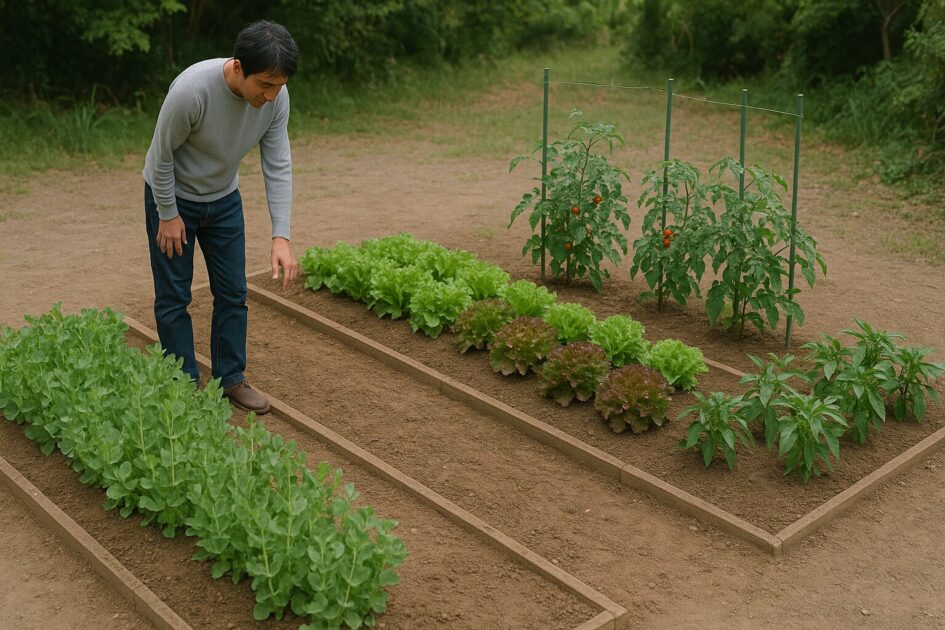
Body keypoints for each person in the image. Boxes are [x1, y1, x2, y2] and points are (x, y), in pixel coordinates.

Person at [142, 20, 300, 414]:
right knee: (174, 296)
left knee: (233, 292)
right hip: (173, 197)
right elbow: (160, 156)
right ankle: (181, 384)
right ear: (238, 67)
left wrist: (281, 235)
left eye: (278, 85)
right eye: (265, 84)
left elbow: (278, 162)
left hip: (224, 198)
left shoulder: (277, 97)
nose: (271, 94)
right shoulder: (191, 91)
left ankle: (231, 378)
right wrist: (168, 213)